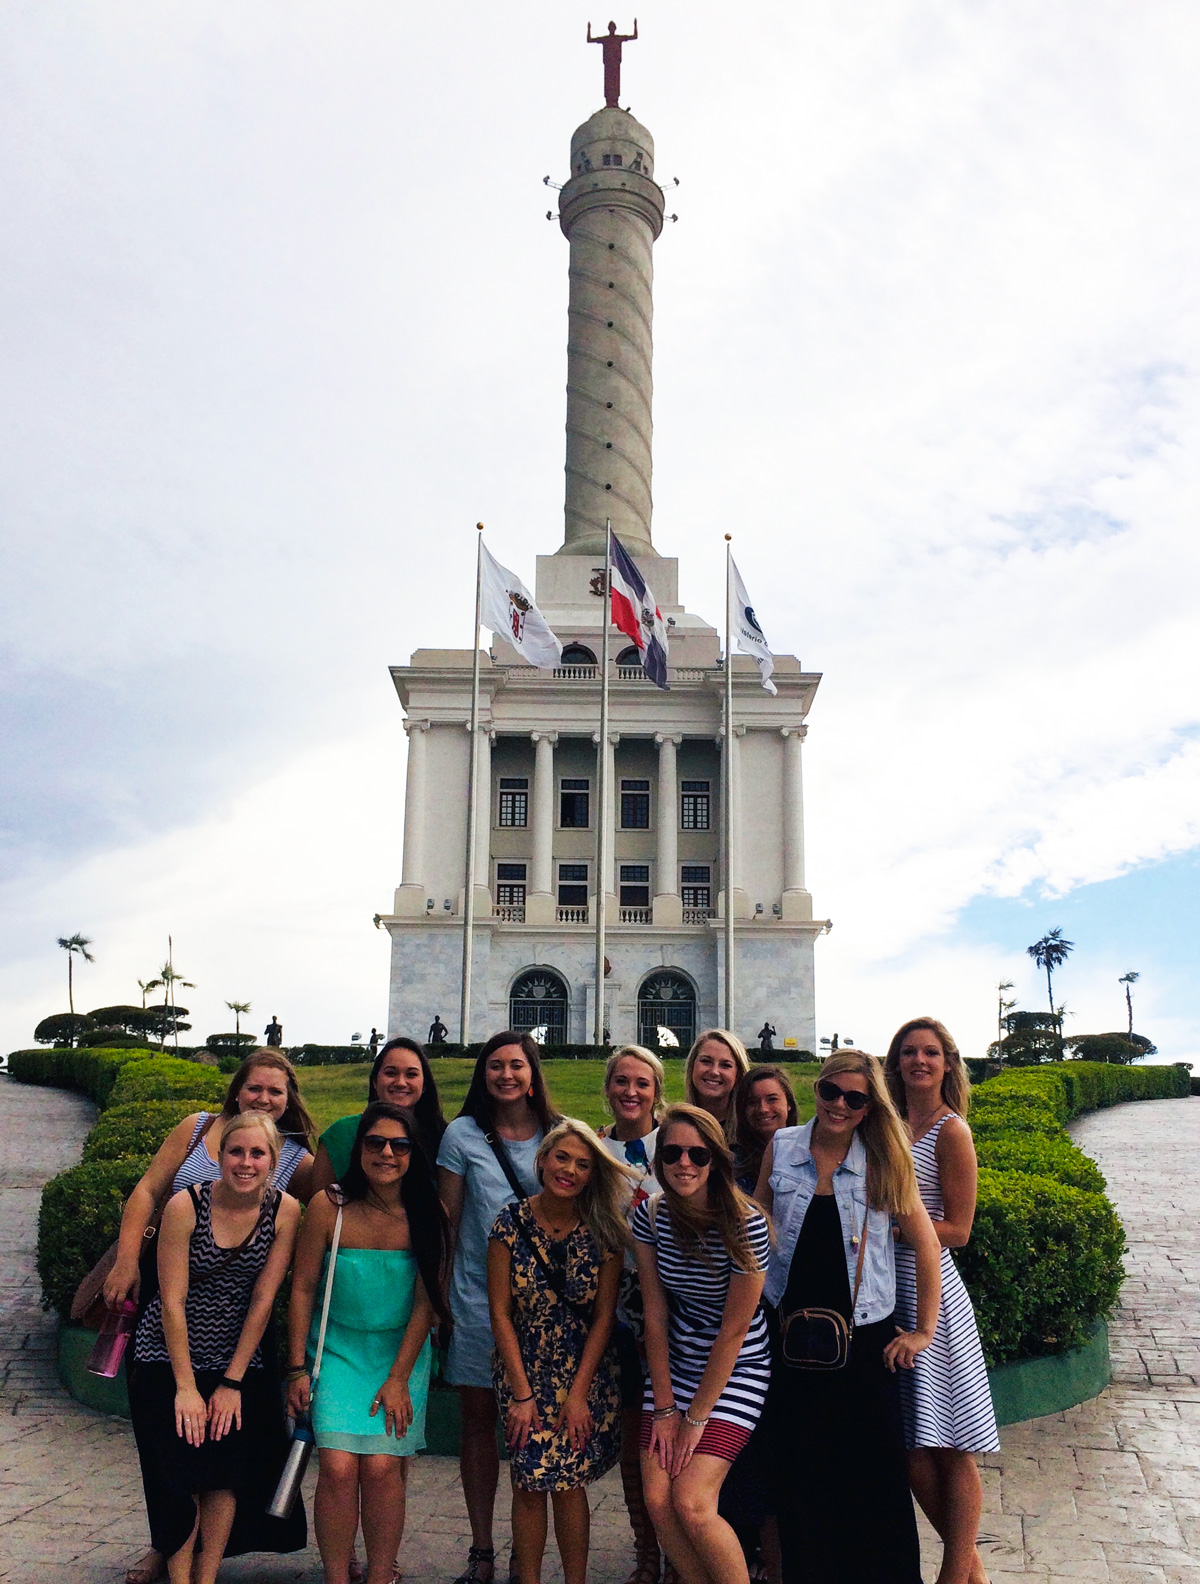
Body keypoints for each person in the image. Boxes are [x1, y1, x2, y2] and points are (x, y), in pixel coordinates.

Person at [106, 1051, 316, 1584]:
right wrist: (127, 1258)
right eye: (255, 1088)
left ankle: (205, 1568)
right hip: (171, 1320)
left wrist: (231, 1381)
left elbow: (268, 1295)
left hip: (235, 1340)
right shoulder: (196, 1134)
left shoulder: (294, 1166)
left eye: (276, 1091)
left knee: (223, 1467)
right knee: (172, 1460)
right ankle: (167, 1553)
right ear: (236, 1090)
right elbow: (149, 1192)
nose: (264, 1097)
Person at [755, 1049, 943, 1584]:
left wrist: (923, 1330)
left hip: (864, 1341)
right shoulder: (784, 1145)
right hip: (791, 1337)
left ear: (869, 1106)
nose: (840, 1105)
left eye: (855, 1098)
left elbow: (926, 1243)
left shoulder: (883, 1156)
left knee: (874, 1479)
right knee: (803, 1477)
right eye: (831, 1092)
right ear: (817, 1089)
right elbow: (757, 1218)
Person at [287, 1103, 451, 1584]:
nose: (386, 1153)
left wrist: (399, 1378)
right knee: (337, 1468)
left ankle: (381, 1575)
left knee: (381, 1468)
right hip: (334, 1351)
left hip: (398, 1355)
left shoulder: (429, 1213)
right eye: (375, 1142)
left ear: (413, 1153)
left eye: (399, 1145)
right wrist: (295, 1367)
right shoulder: (328, 1207)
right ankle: (337, 1576)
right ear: (359, 1149)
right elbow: (301, 1288)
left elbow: (426, 1303)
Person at [437, 1032, 560, 1584]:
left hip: (543, 1313)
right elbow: (449, 1221)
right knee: (479, 1425)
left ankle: (525, 1557)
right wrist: (440, 1301)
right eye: (495, 1066)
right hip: (476, 1299)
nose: (506, 1076)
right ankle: (482, 1550)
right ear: (482, 1074)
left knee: (531, 1433)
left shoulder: (558, 1135)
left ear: (533, 1073)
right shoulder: (461, 1135)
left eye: (516, 1065)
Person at [488, 1119, 631, 1584]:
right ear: (543, 1159)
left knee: (569, 1485)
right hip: (522, 1367)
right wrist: (522, 1393)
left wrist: (578, 1395)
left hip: (581, 1372)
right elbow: (500, 1309)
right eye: (562, 1157)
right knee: (528, 1482)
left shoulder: (604, 1229)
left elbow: (605, 1317)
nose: (569, 1169)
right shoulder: (509, 1222)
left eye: (583, 1164)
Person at [634, 1104, 772, 1584]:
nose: (684, 1163)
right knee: (657, 1500)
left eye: (698, 1153)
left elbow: (735, 1330)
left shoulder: (745, 1223)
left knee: (692, 1503)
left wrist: (695, 1420)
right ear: (658, 1159)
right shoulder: (650, 1217)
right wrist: (667, 1409)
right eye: (672, 1152)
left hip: (737, 1369)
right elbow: (655, 1313)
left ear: (716, 1158)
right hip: (675, 1363)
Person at [885, 1019, 999, 1584]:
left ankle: (954, 1576)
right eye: (909, 1052)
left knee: (954, 1445)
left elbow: (959, 1228)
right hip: (887, 1294)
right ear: (896, 1061)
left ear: (949, 1063)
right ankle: (971, 1571)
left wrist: (898, 1230)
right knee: (910, 1445)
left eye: (931, 1052)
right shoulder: (884, 1123)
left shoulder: (951, 1130)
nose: (919, 1061)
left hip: (934, 1295)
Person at [597, 1046, 666, 1584]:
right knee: (629, 1439)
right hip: (616, 1314)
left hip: (674, 1314)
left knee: (667, 1434)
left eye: (641, 1082)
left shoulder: (678, 1144)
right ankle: (646, 1551)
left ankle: (675, 1550)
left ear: (656, 1090)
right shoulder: (593, 1150)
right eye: (621, 1081)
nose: (630, 1092)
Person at [312, 1037, 447, 1192]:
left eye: (411, 1075)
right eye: (391, 1073)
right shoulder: (340, 1135)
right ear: (375, 1081)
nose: (401, 1082)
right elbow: (319, 1203)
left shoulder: (443, 1139)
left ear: (424, 1085)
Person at [732, 1064, 798, 1193]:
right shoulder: (733, 1163)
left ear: (789, 1103)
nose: (763, 1109)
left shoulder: (809, 1152)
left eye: (772, 1099)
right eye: (752, 1102)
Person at [684, 1029, 751, 1142]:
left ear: (738, 1074)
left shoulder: (751, 1131)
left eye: (725, 1065)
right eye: (706, 1061)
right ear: (692, 1066)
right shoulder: (673, 1128)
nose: (714, 1072)